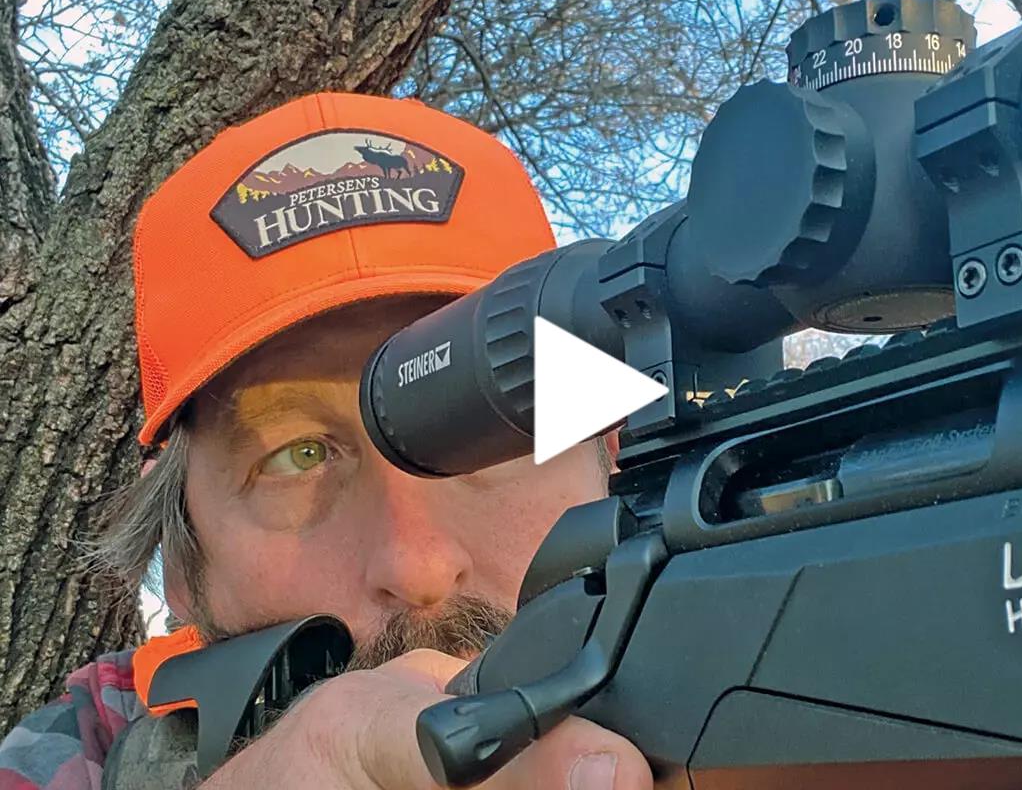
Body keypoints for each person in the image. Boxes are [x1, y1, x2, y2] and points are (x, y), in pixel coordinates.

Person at [0, 92, 652, 790]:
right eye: (299, 455)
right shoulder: (80, 753)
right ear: (183, 563)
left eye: (482, 424)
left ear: (613, 461)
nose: (420, 568)